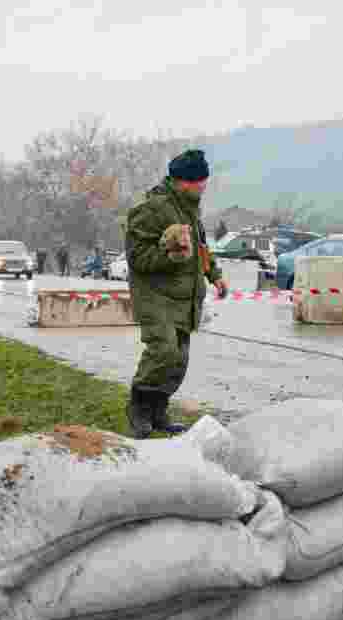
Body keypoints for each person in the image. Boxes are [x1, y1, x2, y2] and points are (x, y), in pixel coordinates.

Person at [124, 148, 229, 438]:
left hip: (185, 299)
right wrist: (169, 257)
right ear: (184, 180)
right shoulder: (152, 209)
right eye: (200, 182)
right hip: (155, 296)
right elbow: (137, 256)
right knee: (164, 352)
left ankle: (158, 413)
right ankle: (139, 411)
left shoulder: (190, 210)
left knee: (178, 362)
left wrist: (215, 276)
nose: (203, 187)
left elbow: (202, 249)